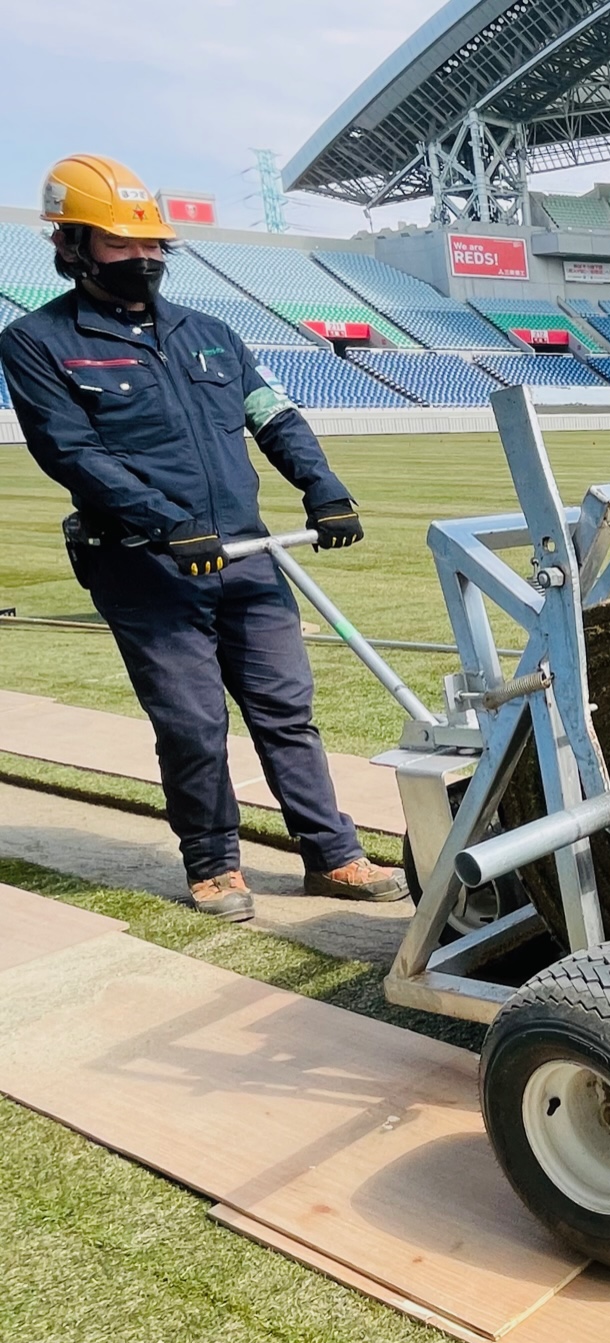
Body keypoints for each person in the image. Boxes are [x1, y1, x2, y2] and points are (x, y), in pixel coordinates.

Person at [0, 154, 407, 921]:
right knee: (191, 724)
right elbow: (71, 452)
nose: (143, 258)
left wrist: (322, 486)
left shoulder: (212, 333)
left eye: (152, 244)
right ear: (73, 246)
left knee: (287, 712)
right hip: (145, 568)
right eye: (122, 245)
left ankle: (332, 854)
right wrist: (167, 523)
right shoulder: (38, 342)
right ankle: (214, 864)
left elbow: (273, 415)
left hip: (249, 559)